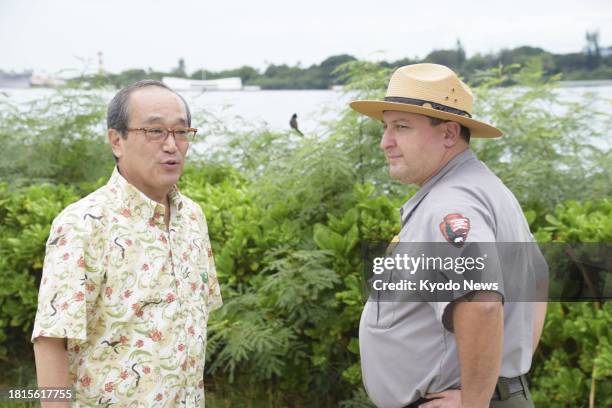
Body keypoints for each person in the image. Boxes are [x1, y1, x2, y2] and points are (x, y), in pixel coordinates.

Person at [350, 64, 547, 408]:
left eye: (402, 127)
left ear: (448, 134)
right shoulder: (484, 189)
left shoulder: (450, 205)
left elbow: (482, 305)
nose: (385, 143)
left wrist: (474, 400)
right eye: (385, 127)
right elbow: (540, 279)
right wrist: (504, 377)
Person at [32, 80, 222, 407]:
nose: (171, 145)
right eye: (154, 132)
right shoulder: (84, 224)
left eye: (180, 132)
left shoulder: (193, 217)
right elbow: (50, 340)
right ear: (116, 140)